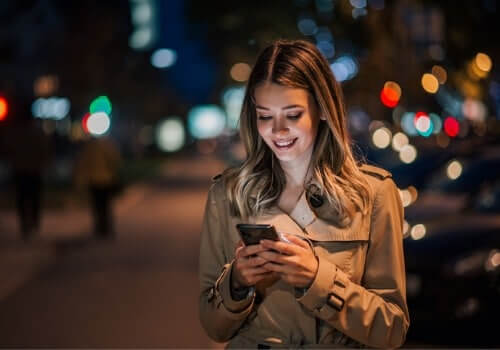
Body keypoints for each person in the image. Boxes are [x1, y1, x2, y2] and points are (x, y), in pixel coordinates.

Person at [198, 39, 409, 348]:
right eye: (265, 116)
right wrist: (238, 282)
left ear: (322, 109)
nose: (278, 130)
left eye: (293, 114)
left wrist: (317, 279)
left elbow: (391, 329)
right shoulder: (227, 195)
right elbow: (213, 327)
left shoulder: (374, 194)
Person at [73, 135, 122, 239]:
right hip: (106, 179)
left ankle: (99, 227)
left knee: (97, 205)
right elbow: (115, 160)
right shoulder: (107, 146)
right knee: (105, 205)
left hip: (94, 181)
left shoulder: (88, 148)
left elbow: (82, 165)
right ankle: (106, 227)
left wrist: (80, 181)